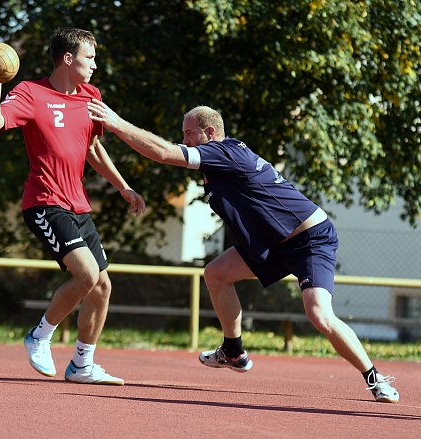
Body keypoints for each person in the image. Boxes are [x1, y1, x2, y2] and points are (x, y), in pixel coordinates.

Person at [87, 99, 400, 403]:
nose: (183, 139)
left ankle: (376, 379)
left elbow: (165, 153)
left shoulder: (223, 152)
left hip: (309, 240)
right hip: (274, 242)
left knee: (318, 312)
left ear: (209, 133)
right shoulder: (219, 160)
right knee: (216, 274)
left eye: (188, 133)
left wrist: (116, 124)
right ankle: (233, 350)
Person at [0, 28, 145, 385]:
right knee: (85, 274)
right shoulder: (31, 93)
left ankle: (82, 365)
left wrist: (124, 187)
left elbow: (93, 150)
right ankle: (39, 336)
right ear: (68, 59)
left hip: (77, 204)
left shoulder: (91, 97)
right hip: (45, 202)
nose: (95, 65)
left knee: (102, 286)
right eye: (90, 58)